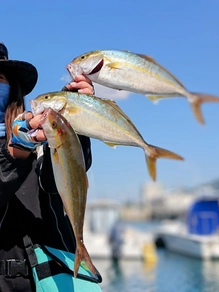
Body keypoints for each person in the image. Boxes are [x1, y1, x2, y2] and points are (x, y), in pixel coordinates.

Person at [0, 42, 97, 291]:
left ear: (13, 87)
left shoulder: (40, 133)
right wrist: (15, 151)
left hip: (50, 279)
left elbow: (63, 177)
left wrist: (73, 119)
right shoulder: (29, 138)